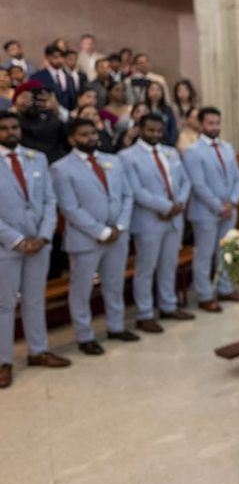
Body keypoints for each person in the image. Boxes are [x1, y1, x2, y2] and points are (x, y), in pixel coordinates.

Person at [51, 118, 137, 355]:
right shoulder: (61, 167)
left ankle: (116, 326)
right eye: (83, 135)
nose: (90, 138)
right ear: (72, 139)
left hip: (117, 234)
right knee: (81, 289)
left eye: (92, 133)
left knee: (114, 283)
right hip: (86, 238)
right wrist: (101, 231)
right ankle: (85, 335)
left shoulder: (113, 160)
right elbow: (69, 208)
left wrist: (120, 225)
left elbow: (127, 195)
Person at [0, 111, 70, 388]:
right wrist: (17, 240)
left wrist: (43, 236)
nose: (10, 132)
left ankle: (38, 350)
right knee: (4, 305)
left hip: (39, 243)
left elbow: (49, 201)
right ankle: (3, 361)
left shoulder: (36, 158)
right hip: (6, 245)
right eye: (3, 129)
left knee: (34, 299)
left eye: (14, 127)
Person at [120, 114, 193, 333]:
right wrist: (164, 206)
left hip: (174, 217)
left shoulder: (169, 152)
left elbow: (185, 180)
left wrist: (179, 203)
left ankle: (168, 305)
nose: (155, 135)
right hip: (149, 219)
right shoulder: (128, 156)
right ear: (140, 129)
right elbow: (135, 190)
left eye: (159, 131)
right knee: (146, 267)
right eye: (150, 130)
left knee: (169, 264)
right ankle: (144, 313)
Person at [183, 107, 239, 311]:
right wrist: (219, 207)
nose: (214, 127)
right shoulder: (192, 151)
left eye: (217, 123)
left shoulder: (227, 147)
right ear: (200, 125)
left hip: (228, 209)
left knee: (224, 251)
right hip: (206, 211)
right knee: (205, 253)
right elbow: (198, 185)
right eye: (210, 123)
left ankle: (225, 289)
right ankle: (205, 295)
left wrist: (233, 201)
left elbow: (237, 178)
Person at [14, 81, 68, 163]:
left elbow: (71, 132)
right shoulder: (13, 120)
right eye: (25, 97)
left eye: (34, 97)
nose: (31, 101)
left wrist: (57, 109)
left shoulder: (53, 118)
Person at [30, 43, 77, 112]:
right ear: (48, 57)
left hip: (67, 116)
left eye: (62, 57)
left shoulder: (69, 77)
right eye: (56, 57)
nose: (60, 60)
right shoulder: (37, 77)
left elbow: (72, 99)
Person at [145, 81, 178, 147]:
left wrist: (171, 143)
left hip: (165, 143)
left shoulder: (168, 109)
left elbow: (173, 128)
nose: (155, 92)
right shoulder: (144, 108)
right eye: (152, 90)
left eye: (158, 90)